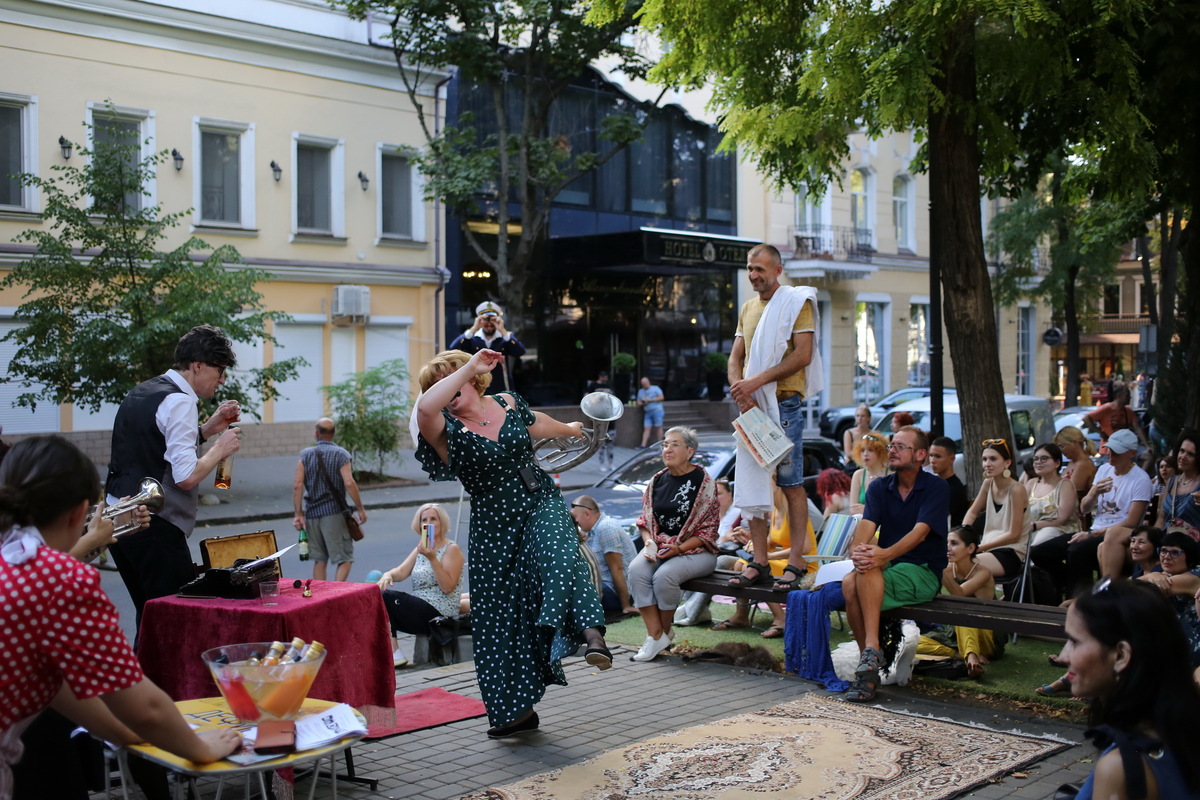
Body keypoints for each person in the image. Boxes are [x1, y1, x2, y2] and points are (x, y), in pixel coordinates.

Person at [1, 436, 241, 796]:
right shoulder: (58, 576)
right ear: (80, 512)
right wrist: (199, 748)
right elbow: (144, 706)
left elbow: (55, 688)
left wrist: (134, 738)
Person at [412, 349, 610, 739]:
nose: (447, 387)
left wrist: (573, 430)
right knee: (500, 620)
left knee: (560, 554)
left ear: (474, 382)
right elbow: (424, 406)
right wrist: (466, 366)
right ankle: (514, 712)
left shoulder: (506, 402)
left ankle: (592, 635)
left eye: (453, 377)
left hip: (538, 501)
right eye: (440, 382)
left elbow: (538, 423)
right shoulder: (441, 427)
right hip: (493, 529)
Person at [105, 324, 242, 635]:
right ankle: (169, 683)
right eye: (219, 370)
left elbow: (157, 446)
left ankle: (143, 678)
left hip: (119, 521)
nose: (222, 380)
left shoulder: (145, 389)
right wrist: (220, 449)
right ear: (197, 366)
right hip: (154, 525)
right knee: (175, 621)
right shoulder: (181, 401)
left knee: (150, 616)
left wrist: (208, 429)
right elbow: (186, 476)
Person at [726, 244, 823, 592]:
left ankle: (796, 562)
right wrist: (741, 391)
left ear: (777, 270)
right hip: (751, 406)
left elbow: (803, 355)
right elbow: (736, 356)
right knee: (751, 484)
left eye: (760, 269)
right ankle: (760, 562)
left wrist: (756, 382)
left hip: (784, 405)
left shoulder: (797, 302)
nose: (753, 275)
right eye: (750, 269)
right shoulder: (748, 307)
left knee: (791, 483)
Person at [1059, 580, 1200, 800]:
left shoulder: (1121, 767)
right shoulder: (1180, 730)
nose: (1063, 656)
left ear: (1121, 656)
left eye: (1074, 641)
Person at [841, 425, 949, 702]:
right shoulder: (879, 487)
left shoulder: (936, 487)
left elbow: (920, 532)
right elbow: (866, 525)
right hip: (887, 568)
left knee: (857, 579)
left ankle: (869, 661)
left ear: (921, 454)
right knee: (851, 580)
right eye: (892, 446)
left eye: (901, 446)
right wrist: (859, 551)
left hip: (923, 571)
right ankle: (872, 656)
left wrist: (881, 555)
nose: (893, 450)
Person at [627, 427, 720, 661]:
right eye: (665, 445)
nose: (667, 449)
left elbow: (709, 531)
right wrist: (649, 543)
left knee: (664, 576)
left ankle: (663, 632)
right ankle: (656, 635)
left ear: (690, 451)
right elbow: (644, 520)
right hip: (660, 546)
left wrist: (678, 548)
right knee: (636, 571)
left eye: (674, 444)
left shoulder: (704, 482)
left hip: (697, 550)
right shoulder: (656, 480)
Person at [1033, 428, 1152, 600]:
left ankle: (1078, 599)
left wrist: (1091, 534)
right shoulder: (1104, 469)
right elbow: (1084, 508)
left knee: (1077, 550)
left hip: (1117, 534)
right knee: (1041, 552)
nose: (1110, 454)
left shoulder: (1140, 479)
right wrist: (1093, 493)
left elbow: (1132, 522)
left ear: (1132, 453)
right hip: (1095, 529)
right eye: (1109, 449)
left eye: (1117, 452)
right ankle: (1065, 588)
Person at [375, 503, 465, 668]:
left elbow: (447, 587)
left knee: (386, 597)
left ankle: (394, 653)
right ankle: (390, 653)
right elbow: (402, 571)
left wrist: (432, 558)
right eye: (424, 520)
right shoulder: (421, 548)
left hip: (440, 611)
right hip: (420, 607)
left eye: (433, 519)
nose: (428, 523)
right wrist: (388, 575)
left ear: (442, 522)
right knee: (378, 597)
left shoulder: (451, 549)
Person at [916, 526, 1000, 679]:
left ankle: (972, 657)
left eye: (954, 543)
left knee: (963, 612)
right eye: (946, 543)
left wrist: (939, 568)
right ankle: (958, 654)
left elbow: (959, 595)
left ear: (971, 548)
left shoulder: (983, 573)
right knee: (910, 642)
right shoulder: (947, 570)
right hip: (955, 635)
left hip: (987, 636)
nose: (947, 548)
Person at [292, 418, 367, 582]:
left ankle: (321, 596)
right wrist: (360, 508)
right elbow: (349, 482)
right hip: (333, 513)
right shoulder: (341, 454)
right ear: (333, 434)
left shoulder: (305, 455)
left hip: (312, 515)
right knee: (345, 558)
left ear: (317, 433)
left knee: (320, 559)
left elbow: (298, 485)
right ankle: (334, 593)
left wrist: (298, 514)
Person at [960, 438, 1029, 582]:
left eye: (993, 459)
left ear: (1007, 463)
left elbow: (1014, 535)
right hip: (987, 547)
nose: (987, 464)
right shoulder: (988, 483)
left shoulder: (1016, 489)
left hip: (1012, 551)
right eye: (984, 459)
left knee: (964, 565)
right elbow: (972, 512)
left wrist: (979, 548)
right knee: (955, 561)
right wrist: (964, 532)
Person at [570, 495, 637, 618]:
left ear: (587, 514)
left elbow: (617, 569)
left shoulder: (606, 528)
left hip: (616, 592)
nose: (575, 524)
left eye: (575, 520)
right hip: (605, 586)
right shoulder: (590, 530)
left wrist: (626, 606)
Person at [1139, 531, 1200, 666]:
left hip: (1192, 640)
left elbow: (1136, 591)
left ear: (1189, 557)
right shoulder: (1162, 574)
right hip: (1174, 637)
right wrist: (1150, 575)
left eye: (1174, 553)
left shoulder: (1193, 576)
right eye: (1163, 551)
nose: (1166, 557)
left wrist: (1150, 576)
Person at [449, 300, 526, 392]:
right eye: (485, 320)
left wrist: (503, 330)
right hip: (478, 385)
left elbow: (520, 351)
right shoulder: (471, 338)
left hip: (500, 387)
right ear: (479, 320)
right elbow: (453, 348)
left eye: (493, 320)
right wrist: (473, 329)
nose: (489, 323)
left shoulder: (505, 338)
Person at [1026, 442, 1080, 548]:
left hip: (1060, 530)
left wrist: (1035, 525)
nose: (1038, 462)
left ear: (1057, 463)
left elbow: (1062, 519)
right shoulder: (1031, 483)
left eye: (1044, 458)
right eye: (1035, 459)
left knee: (1039, 543)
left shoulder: (1065, 485)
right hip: (1031, 529)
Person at [1155, 431, 1200, 538]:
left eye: (1190, 454)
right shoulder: (1172, 480)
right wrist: (1152, 538)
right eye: (1182, 451)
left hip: (1191, 547)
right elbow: (1161, 520)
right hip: (1166, 543)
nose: (1183, 457)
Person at [1084, 384, 1149, 451]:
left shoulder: (1128, 410)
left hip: (1125, 448)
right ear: (1119, 395)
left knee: (1148, 455)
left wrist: (1147, 446)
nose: (1129, 397)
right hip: (1108, 450)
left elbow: (1138, 428)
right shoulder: (1107, 408)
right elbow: (1086, 418)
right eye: (1127, 395)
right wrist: (1099, 432)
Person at [928, 436, 969, 527]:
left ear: (951, 459)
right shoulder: (930, 482)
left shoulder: (954, 489)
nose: (932, 461)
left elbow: (933, 517)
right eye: (931, 455)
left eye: (938, 456)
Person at [847, 432, 889, 517]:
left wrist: (866, 509)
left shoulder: (892, 475)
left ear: (880, 452)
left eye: (870, 450)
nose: (865, 454)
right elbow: (853, 509)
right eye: (862, 450)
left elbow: (894, 508)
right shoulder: (858, 475)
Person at [585, 371, 617, 468]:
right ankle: (602, 463)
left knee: (611, 443)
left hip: (609, 416)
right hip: (598, 415)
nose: (605, 379)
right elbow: (587, 398)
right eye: (604, 377)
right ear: (601, 377)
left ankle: (611, 463)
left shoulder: (610, 385)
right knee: (601, 444)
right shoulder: (593, 385)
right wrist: (590, 413)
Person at [636, 377, 665, 447]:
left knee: (658, 427)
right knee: (647, 428)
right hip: (647, 412)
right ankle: (643, 445)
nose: (644, 385)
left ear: (648, 382)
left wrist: (651, 400)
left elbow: (661, 397)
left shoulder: (655, 388)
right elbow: (638, 402)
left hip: (657, 411)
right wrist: (644, 403)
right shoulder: (641, 391)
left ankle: (660, 444)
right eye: (643, 384)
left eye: (645, 383)